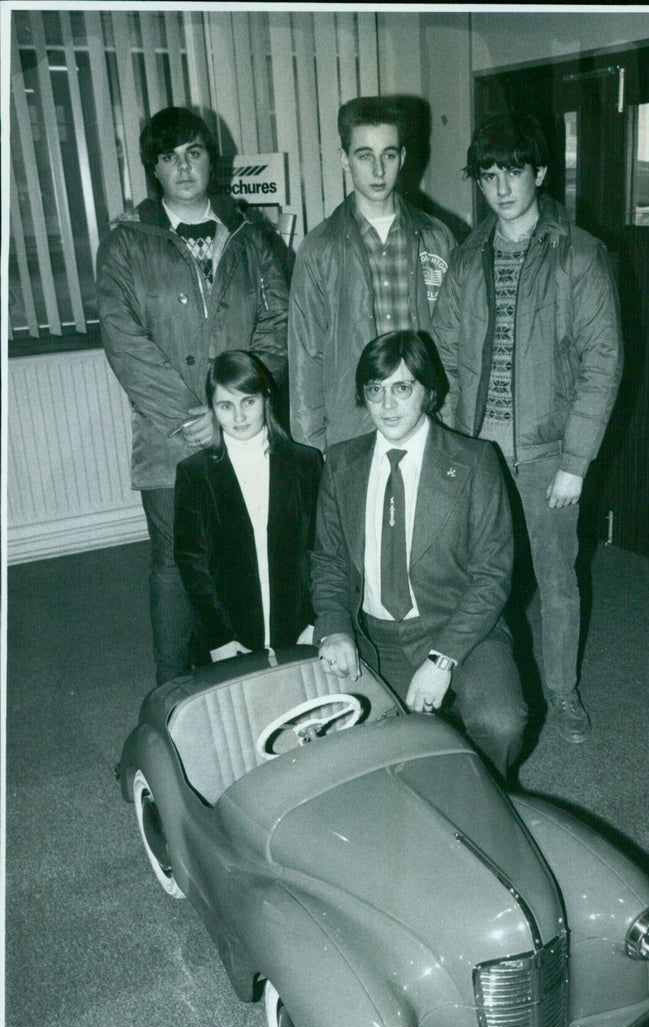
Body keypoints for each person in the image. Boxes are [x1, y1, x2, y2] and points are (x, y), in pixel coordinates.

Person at [433, 113, 623, 743]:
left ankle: (562, 693)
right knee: (480, 578)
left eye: (513, 171)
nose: (501, 186)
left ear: (539, 173)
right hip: (478, 452)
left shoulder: (581, 254)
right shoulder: (467, 259)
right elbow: (446, 358)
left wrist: (576, 461)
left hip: (548, 455)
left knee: (556, 578)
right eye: (488, 175)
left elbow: (603, 363)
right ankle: (488, 688)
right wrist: (451, 445)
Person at [97, 106, 289, 684]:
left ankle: (247, 679)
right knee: (176, 566)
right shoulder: (126, 243)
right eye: (168, 156)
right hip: (169, 439)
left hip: (246, 428)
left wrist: (235, 409)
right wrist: (192, 417)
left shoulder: (253, 237)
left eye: (195, 152)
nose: (183, 166)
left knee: (246, 555)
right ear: (153, 168)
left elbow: (277, 322)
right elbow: (123, 341)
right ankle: (173, 691)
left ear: (212, 161)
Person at [312, 330, 527, 784]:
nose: (387, 405)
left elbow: (493, 576)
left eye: (401, 388)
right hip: (375, 636)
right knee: (350, 757)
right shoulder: (340, 463)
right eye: (375, 390)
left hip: (458, 628)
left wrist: (442, 659)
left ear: (428, 392)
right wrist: (334, 630)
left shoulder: (475, 461)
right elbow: (329, 562)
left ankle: (483, 802)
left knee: (500, 723)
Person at [288, 96, 454, 452]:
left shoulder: (437, 237)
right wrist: (311, 452)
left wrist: (454, 425)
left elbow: (457, 344)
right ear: (344, 159)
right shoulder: (320, 249)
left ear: (404, 157)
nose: (378, 171)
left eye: (389, 155)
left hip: (427, 425)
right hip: (353, 431)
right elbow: (305, 361)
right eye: (365, 156)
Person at [173, 351, 321, 663]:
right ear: (212, 409)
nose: (239, 416)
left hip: (297, 626)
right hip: (229, 634)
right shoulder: (195, 473)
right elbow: (192, 565)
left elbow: (320, 548)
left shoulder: (305, 463)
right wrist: (219, 639)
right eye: (226, 406)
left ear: (266, 399)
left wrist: (314, 620)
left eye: (248, 402)